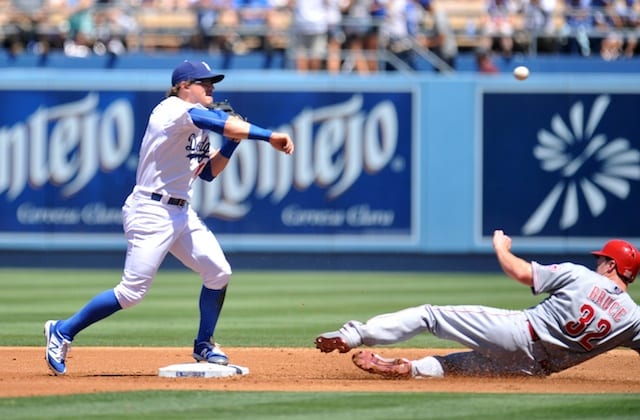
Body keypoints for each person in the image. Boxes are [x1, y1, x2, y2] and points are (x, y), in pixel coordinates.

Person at [44, 60, 295, 376]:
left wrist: (231, 145)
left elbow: (208, 174)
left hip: (180, 211)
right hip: (150, 211)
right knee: (132, 293)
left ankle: (204, 343)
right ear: (183, 86)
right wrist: (268, 135)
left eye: (212, 83)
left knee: (218, 272)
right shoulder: (171, 109)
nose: (211, 88)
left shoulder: (197, 123)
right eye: (204, 83)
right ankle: (63, 330)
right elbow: (225, 123)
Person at [315, 230, 640, 378]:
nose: (598, 263)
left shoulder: (581, 276)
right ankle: (410, 369)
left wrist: (501, 247)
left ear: (611, 265)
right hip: (534, 369)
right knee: (455, 367)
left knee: (430, 316)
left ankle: (353, 335)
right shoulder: (633, 318)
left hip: (518, 333)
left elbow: (519, 272)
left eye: (602, 259)